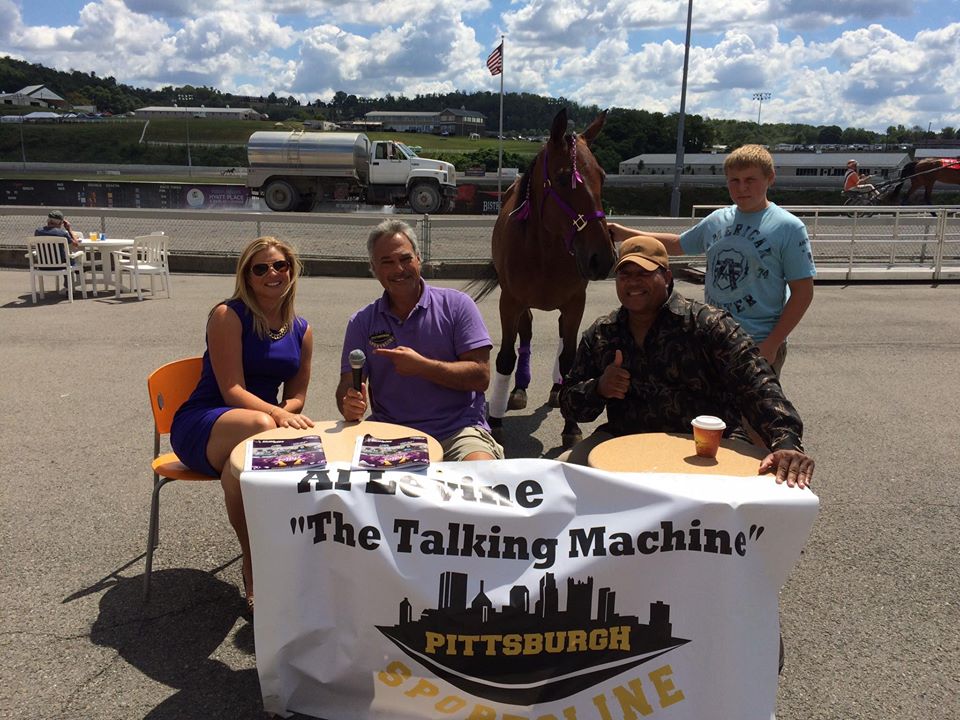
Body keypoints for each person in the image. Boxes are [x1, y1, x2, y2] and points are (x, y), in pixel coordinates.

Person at [559, 235, 814, 488]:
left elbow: (758, 385)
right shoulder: (603, 333)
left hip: (707, 447)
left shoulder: (709, 325)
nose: (633, 282)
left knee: (777, 486)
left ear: (667, 277)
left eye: (644, 273)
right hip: (624, 440)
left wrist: (786, 441)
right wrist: (599, 388)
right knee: (561, 474)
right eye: (625, 275)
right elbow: (570, 406)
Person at [171, 236, 314, 611]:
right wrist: (278, 416)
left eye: (280, 265)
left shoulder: (301, 329)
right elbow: (232, 390)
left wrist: (285, 412)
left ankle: (284, 564)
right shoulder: (227, 315)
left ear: (291, 270)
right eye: (260, 268)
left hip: (259, 427)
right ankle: (256, 568)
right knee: (261, 430)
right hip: (206, 422)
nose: (272, 273)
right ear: (246, 276)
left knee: (251, 469)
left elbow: (297, 395)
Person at [608, 144, 816, 375]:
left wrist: (772, 344)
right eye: (734, 180)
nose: (742, 188)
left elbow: (803, 292)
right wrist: (625, 233)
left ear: (770, 178)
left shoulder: (789, 227)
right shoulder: (717, 220)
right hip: (712, 338)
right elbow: (677, 244)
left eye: (750, 179)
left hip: (757, 341)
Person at [337, 219, 503, 461]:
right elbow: (346, 385)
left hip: (457, 432)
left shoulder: (457, 305)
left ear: (418, 258)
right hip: (390, 434)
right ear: (374, 268)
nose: (398, 269)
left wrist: (422, 367)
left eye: (405, 259)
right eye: (387, 262)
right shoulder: (361, 322)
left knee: (481, 474)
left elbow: (481, 377)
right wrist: (349, 403)